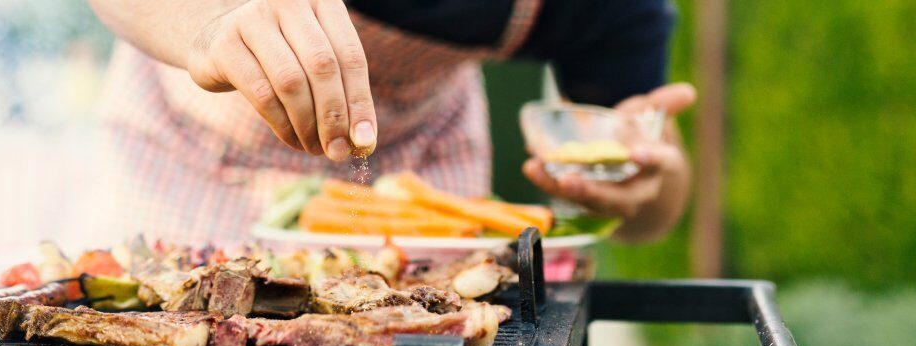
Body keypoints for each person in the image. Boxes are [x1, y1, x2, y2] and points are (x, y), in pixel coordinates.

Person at [87, 0, 694, 243]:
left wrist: (639, 185)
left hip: (420, 174)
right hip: (187, 154)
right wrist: (208, 27)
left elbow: (658, 210)